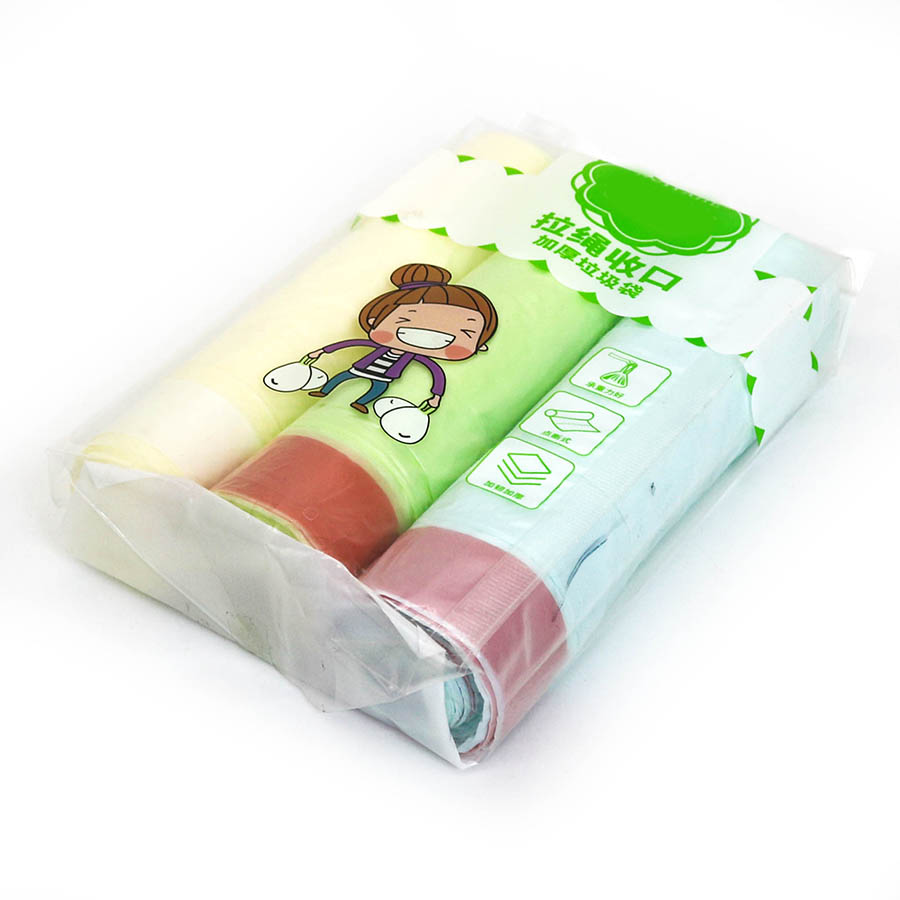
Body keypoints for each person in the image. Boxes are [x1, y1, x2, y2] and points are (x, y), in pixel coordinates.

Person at [305, 263, 498, 414]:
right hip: (362, 366)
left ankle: (360, 403)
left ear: (479, 345)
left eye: (466, 333)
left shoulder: (416, 356)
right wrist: (322, 351)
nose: (434, 335)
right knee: (344, 376)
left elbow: (435, 371)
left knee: (377, 390)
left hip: (386, 375)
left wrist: (436, 395)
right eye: (406, 320)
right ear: (374, 319)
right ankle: (324, 390)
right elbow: (354, 343)